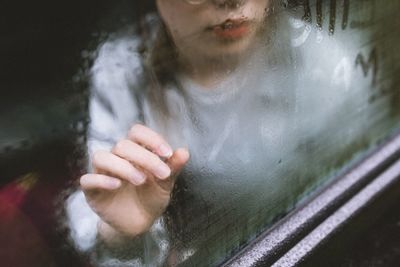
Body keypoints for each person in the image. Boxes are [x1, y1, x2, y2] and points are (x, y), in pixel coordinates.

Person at [66, 0, 368, 266]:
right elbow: (104, 205)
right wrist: (121, 235)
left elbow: (356, 212)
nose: (231, 1)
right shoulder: (125, 71)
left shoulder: (323, 68)